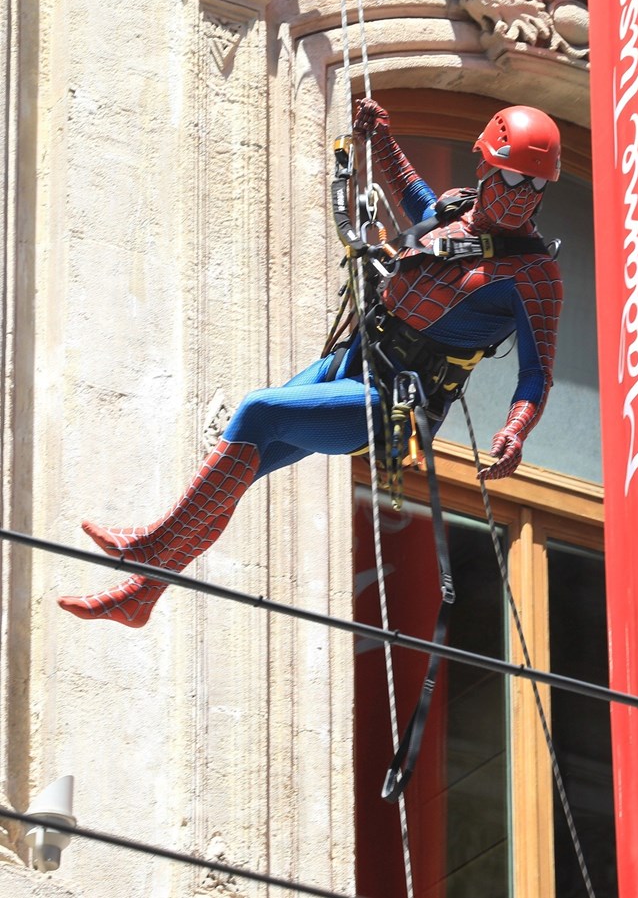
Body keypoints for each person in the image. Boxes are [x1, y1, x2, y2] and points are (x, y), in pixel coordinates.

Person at [58, 98, 563, 628]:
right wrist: (382, 139)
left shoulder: (533, 275)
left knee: (258, 410)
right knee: (236, 465)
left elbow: (536, 372)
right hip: (353, 360)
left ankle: (150, 544)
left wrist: (517, 427)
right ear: (485, 167)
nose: (520, 198)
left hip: (394, 408)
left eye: (535, 186)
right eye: (511, 179)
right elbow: (415, 196)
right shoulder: (456, 210)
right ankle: (141, 596)